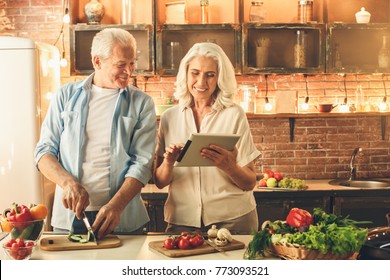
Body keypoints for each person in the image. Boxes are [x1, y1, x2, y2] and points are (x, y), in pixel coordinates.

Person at [34, 28, 156, 239]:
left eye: (132, 63)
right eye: (121, 65)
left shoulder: (142, 103)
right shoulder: (65, 96)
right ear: (97, 62)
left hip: (123, 218)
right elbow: (44, 152)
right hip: (69, 219)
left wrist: (116, 206)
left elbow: (142, 163)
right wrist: (68, 183)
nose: (129, 71)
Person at [153, 42, 261, 234]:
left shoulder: (234, 114)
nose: (201, 82)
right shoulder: (170, 117)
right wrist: (169, 162)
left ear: (220, 78)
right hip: (182, 222)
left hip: (233, 221)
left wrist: (229, 166)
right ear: (185, 74)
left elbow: (249, 182)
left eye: (210, 75)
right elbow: (160, 181)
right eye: (195, 73)